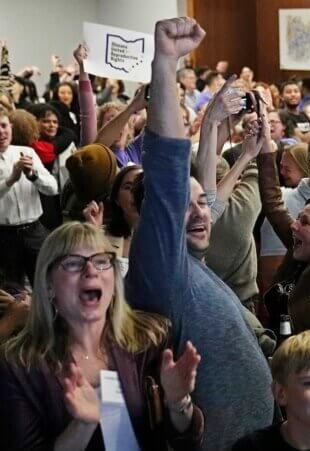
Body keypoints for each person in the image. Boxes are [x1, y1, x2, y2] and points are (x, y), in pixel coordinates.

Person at [125, 18, 273, 450]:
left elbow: (208, 196)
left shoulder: (194, 267)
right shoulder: (162, 270)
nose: (200, 212)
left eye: (201, 202)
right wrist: (166, 64)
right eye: (182, 204)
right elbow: (170, 169)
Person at [0, 222, 204, 450]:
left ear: (114, 281)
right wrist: (82, 426)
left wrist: (178, 403)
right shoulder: (19, 365)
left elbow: (186, 442)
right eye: (73, 263)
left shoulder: (151, 338)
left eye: (101, 261)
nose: (91, 271)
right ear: (48, 285)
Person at [257, 111, 310, 335]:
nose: (293, 226)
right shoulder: (299, 249)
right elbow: (273, 205)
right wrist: (266, 148)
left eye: (304, 222)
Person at [0, 109, 57, 285]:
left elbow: (53, 188)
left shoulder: (26, 152)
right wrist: (11, 180)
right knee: (11, 291)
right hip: (5, 235)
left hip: (34, 231)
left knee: (46, 284)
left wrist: (33, 176)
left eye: (3, 126)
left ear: (11, 127)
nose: (1, 132)